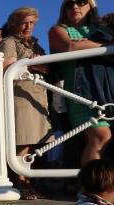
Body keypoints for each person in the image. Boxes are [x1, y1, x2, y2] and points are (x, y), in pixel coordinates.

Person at [50, 0, 111, 165]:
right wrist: (107, 47)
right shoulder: (59, 30)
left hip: (108, 88)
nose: (75, 7)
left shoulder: (105, 28)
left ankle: (102, 186)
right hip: (81, 92)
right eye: (69, 4)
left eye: (81, 2)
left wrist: (84, 45)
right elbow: (69, 46)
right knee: (100, 136)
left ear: (91, 6)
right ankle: (90, 188)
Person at [1, 7, 51, 200]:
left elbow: (47, 67)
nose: (29, 26)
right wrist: (34, 63)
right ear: (14, 24)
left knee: (34, 144)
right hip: (21, 96)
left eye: (32, 23)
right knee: (22, 141)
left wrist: (34, 63)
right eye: (24, 22)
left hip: (38, 95)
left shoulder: (34, 44)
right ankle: (23, 184)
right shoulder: (9, 41)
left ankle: (29, 181)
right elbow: (8, 68)